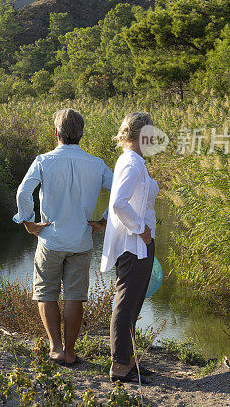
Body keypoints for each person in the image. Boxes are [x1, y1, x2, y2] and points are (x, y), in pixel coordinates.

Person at [13, 108, 113, 366]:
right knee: (74, 296)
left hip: (50, 239)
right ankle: (70, 351)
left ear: (56, 133)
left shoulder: (44, 161)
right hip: (81, 240)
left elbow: (24, 192)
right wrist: (103, 221)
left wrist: (27, 221)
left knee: (46, 293)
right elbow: (121, 193)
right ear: (81, 134)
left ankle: (56, 348)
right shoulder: (96, 163)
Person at [100, 111, 159, 382]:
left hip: (139, 244)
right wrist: (142, 229)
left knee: (132, 304)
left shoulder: (132, 160)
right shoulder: (133, 163)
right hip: (134, 244)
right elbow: (118, 203)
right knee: (125, 305)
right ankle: (120, 365)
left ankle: (128, 359)